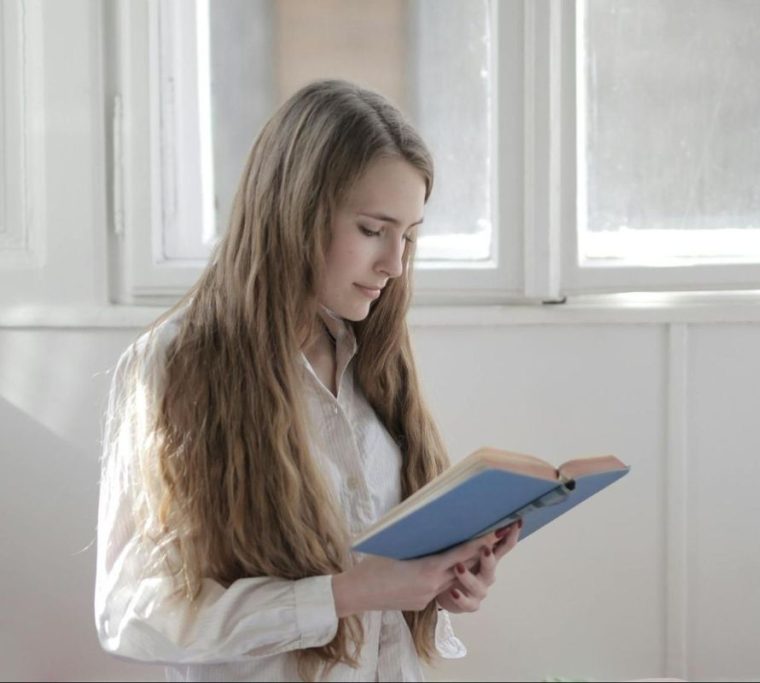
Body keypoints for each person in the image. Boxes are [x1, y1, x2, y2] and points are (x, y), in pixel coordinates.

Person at [94, 79, 521, 682]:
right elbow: (133, 613)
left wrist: (442, 581)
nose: (394, 266)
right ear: (295, 211)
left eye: (409, 236)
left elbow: (384, 597)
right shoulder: (175, 365)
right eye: (373, 230)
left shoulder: (371, 353)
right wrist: (346, 593)